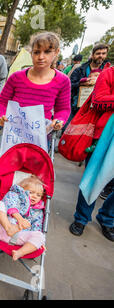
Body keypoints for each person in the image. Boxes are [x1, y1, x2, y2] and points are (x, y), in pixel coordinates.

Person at [69, 65, 114, 241]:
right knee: (93, 177)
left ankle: (107, 218)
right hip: (104, 135)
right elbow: (98, 100)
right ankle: (81, 218)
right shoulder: (109, 73)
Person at [0, 31, 71, 131]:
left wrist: (59, 120)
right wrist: (2, 115)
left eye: (47, 52)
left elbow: (63, 109)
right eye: (36, 52)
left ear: (56, 52)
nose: (41, 57)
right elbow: (1, 103)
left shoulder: (63, 81)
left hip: (41, 135)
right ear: (31, 53)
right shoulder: (16, 77)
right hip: (13, 134)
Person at [0, 175, 46, 261]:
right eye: (31, 192)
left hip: (19, 237)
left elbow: (36, 227)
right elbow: (10, 204)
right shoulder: (14, 195)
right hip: (1, 227)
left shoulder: (38, 212)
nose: (35, 196)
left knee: (40, 236)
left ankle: (19, 252)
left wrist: (39, 242)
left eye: (38, 195)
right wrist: (19, 219)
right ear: (22, 190)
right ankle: (9, 228)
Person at [69, 44, 109, 122]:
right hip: (77, 108)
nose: (101, 56)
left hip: (97, 110)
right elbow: (69, 86)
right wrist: (80, 84)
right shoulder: (79, 69)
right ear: (92, 55)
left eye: (103, 53)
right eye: (98, 53)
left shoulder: (108, 71)